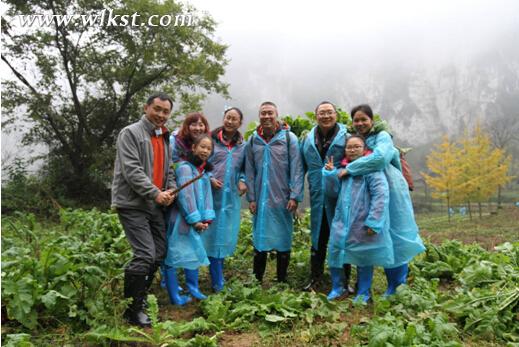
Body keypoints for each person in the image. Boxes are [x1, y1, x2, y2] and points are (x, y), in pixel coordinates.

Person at [342, 104, 425, 296]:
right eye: (356, 120)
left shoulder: (382, 137)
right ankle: (365, 289)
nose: (360, 123)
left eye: (364, 119)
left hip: (392, 190)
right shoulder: (355, 140)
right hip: (365, 192)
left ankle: (396, 286)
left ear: (372, 120)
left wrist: (351, 169)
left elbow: (380, 158)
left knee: (395, 233)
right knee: (366, 234)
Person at [112, 92, 176, 327]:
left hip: (155, 203)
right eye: (157, 109)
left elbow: (168, 169)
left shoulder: (164, 136)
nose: (161, 115)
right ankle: (132, 310)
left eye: (165, 111)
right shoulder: (130, 133)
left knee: (159, 252)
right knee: (145, 254)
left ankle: (138, 299)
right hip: (132, 203)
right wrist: (155, 193)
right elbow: (132, 171)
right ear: (146, 108)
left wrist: (171, 190)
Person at [323, 135, 394, 302]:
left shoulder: (371, 169)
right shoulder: (344, 169)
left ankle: (363, 292)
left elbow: (381, 195)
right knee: (336, 253)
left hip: (361, 222)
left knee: (364, 256)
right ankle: (338, 288)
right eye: (349, 147)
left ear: (364, 150)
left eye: (357, 147)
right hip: (342, 222)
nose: (353, 150)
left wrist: (374, 221)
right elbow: (332, 193)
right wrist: (329, 174)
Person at [245, 101, 304, 283]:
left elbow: (297, 168)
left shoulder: (289, 138)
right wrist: (252, 198)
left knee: (283, 236)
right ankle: (257, 279)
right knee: (260, 235)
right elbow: (249, 170)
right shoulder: (253, 140)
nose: (267, 116)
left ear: (276, 114)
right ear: (259, 116)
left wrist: (295, 195)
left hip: (283, 197)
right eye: (263, 113)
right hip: (261, 197)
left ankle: (282, 279)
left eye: (270, 113)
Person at [300, 101, 353, 293]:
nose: (326, 116)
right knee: (318, 237)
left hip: (340, 194)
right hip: (316, 195)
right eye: (322, 113)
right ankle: (315, 278)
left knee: (340, 236)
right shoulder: (306, 138)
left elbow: (354, 160)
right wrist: (296, 195)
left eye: (329, 112)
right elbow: (300, 168)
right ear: (316, 116)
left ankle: (345, 280)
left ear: (336, 115)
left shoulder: (347, 135)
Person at [163, 135, 215, 304]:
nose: (205, 151)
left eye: (209, 148)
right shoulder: (185, 168)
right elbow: (186, 197)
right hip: (181, 219)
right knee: (173, 253)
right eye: (202, 147)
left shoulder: (204, 172)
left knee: (192, 251)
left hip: (197, 220)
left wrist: (207, 218)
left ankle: (193, 289)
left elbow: (207, 197)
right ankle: (174, 295)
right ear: (193, 148)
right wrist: (194, 219)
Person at [202, 107, 248, 292]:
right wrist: (209, 178)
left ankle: (217, 276)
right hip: (209, 196)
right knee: (208, 234)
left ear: (240, 123)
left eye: (234, 119)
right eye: (228, 118)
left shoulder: (242, 146)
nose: (230, 121)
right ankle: (215, 279)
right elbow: (200, 162)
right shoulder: (210, 141)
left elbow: (245, 168)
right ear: (223, 119)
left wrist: (243, 181)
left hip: (230, 199)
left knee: (224, 236)